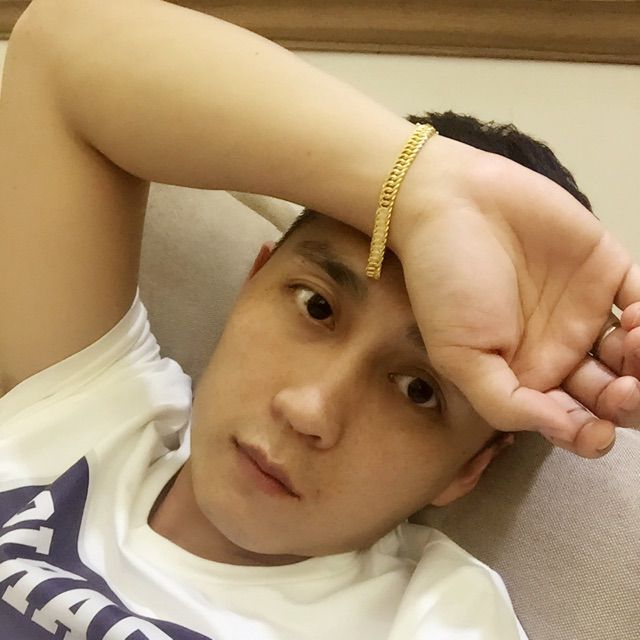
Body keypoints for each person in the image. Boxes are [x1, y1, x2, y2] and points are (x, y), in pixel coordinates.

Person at [0, 1, 639, 638]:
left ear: (469, 469)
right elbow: (61, 44)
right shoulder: (86, 413)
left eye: (419, 391)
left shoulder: (429, 619)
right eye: (317, 306)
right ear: (253, 282)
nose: (308, 410)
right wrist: (428, 190)